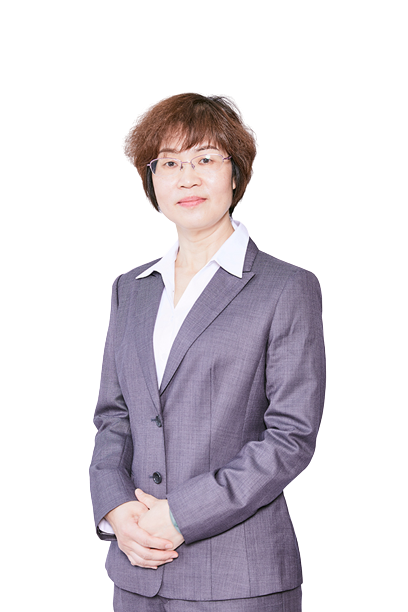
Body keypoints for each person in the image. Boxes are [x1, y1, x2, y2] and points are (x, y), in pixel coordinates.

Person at [89, 92, 325, 611]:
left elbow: (291, 435)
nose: (187, 178)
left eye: (205, 159)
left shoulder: (286, 287)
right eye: (170, 163)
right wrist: (116, 509)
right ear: (151, 180)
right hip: (135, 572)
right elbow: (114, 416)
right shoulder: (130, 288)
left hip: (238, 580)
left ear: (235, 173)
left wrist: (180, 515)